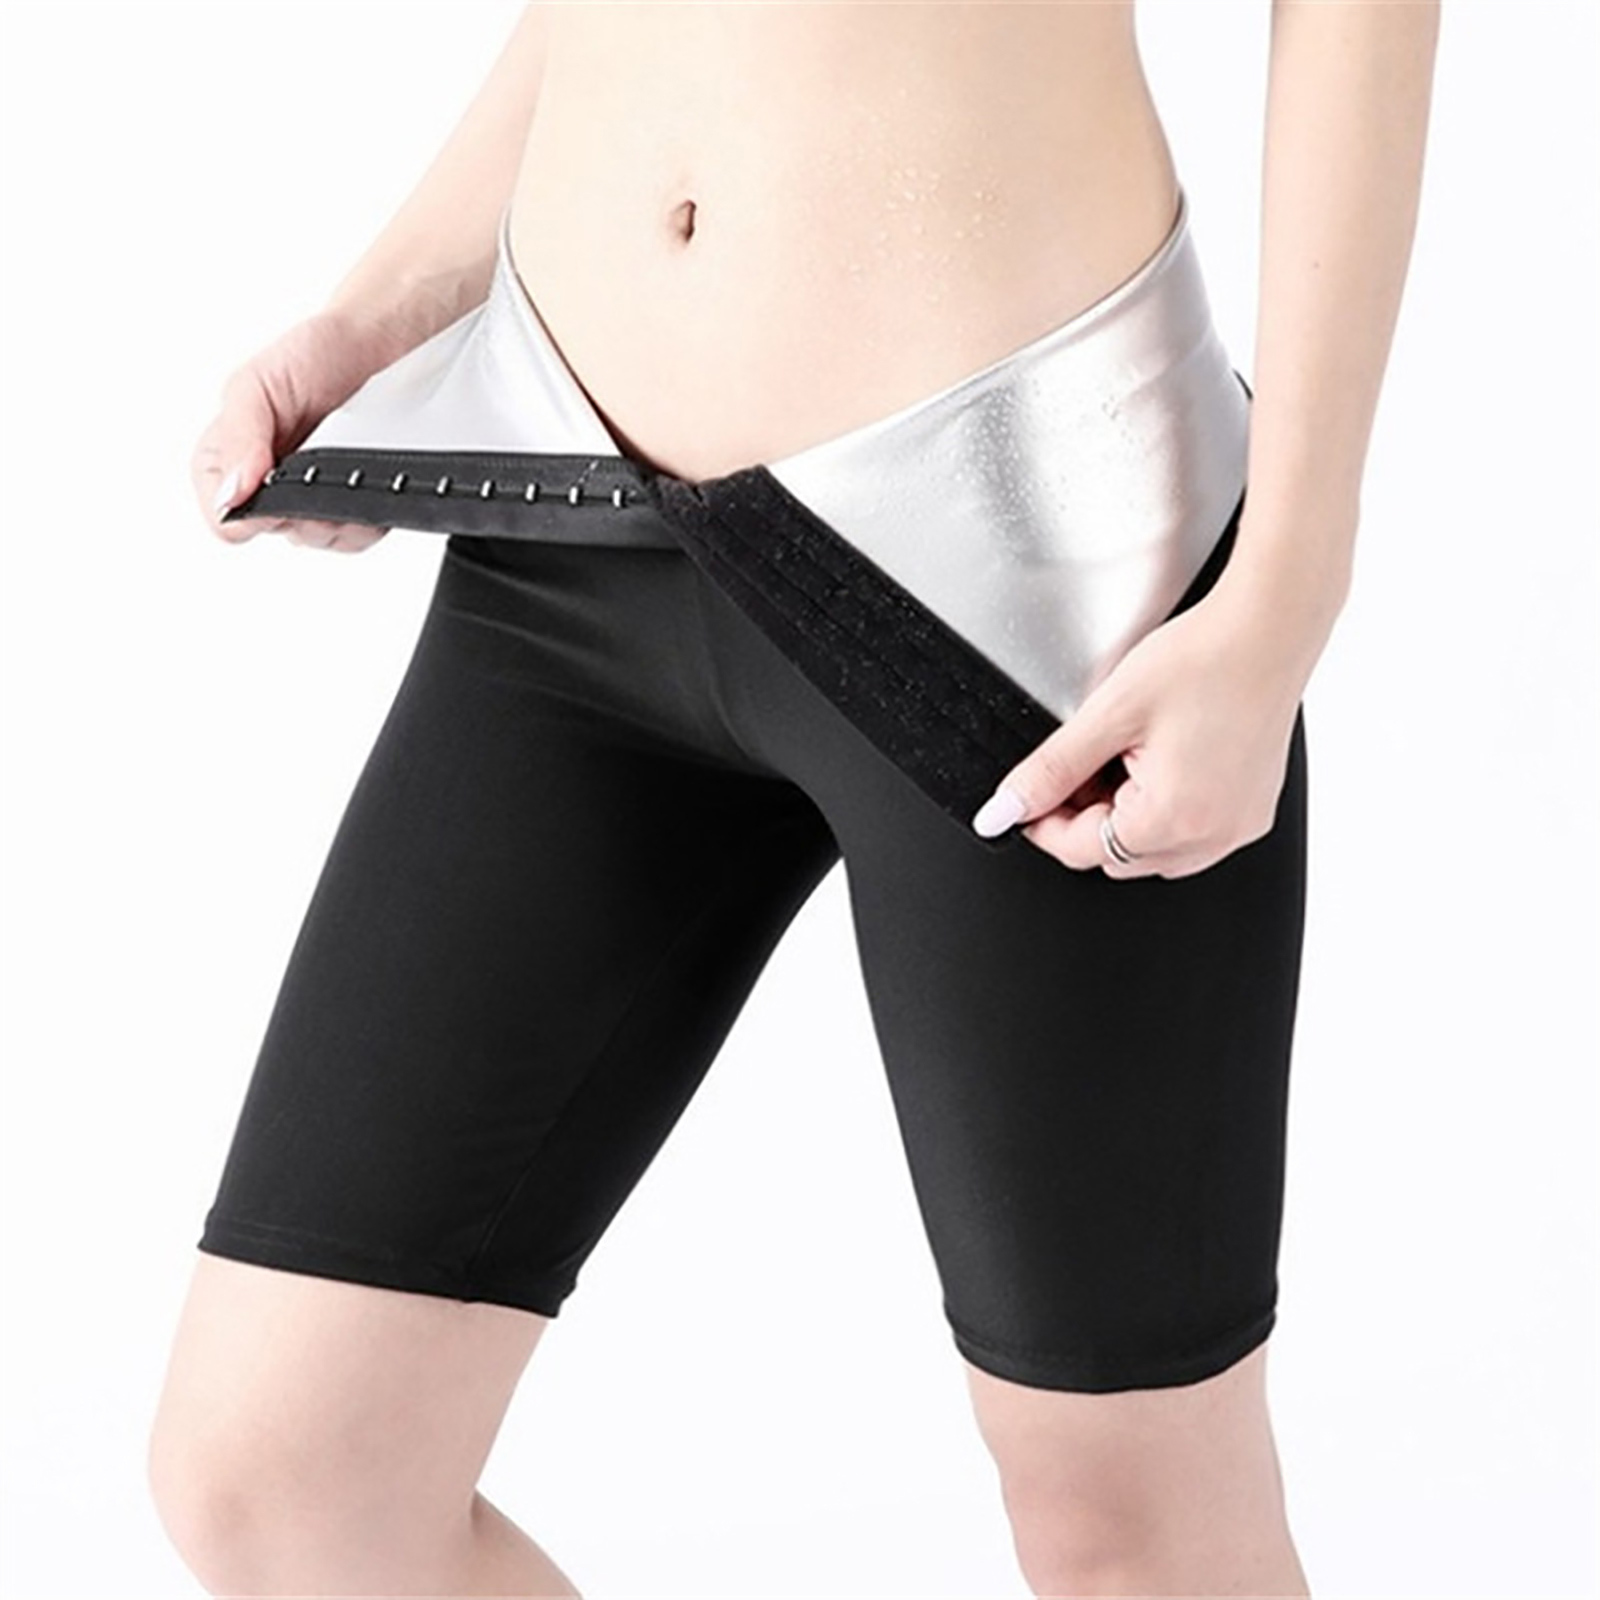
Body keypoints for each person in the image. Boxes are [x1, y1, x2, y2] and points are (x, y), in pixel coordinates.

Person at [147, 4, 1441, 1596]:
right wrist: (390, 301)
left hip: (1019, 567)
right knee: (285, 1479)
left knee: (1135, 1531)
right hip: (574, 519)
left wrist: (1287, 591)